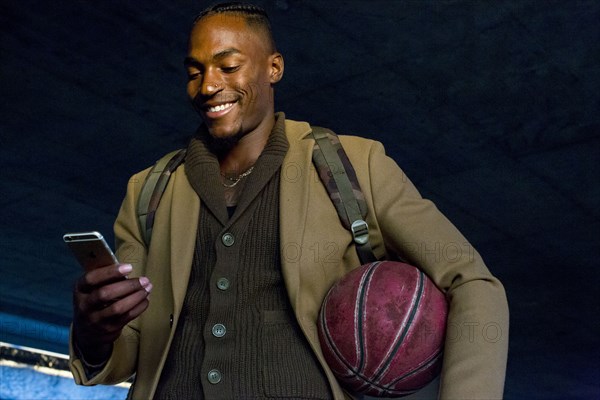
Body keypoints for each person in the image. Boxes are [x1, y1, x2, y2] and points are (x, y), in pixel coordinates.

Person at [69, 2, 509, 399]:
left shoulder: (354, 163)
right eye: (194, 72)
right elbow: (124, 356)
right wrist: (95, 332)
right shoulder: (149, 189)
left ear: (273, 67)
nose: (207, 86)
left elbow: (473, 283)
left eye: (228, 66)